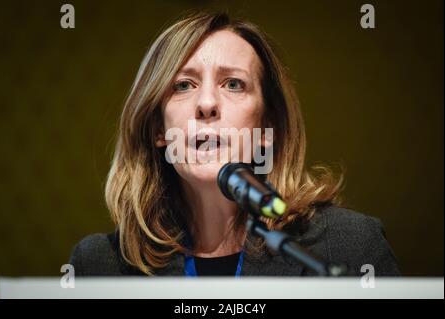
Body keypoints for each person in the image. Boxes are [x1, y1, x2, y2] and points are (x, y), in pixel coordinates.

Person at [69, 12, 400, 276]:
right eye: (183, 85)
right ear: (157, 127)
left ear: (267, 126)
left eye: (233, 83)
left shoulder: (350, 246)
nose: (207, 102)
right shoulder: (99, 265)